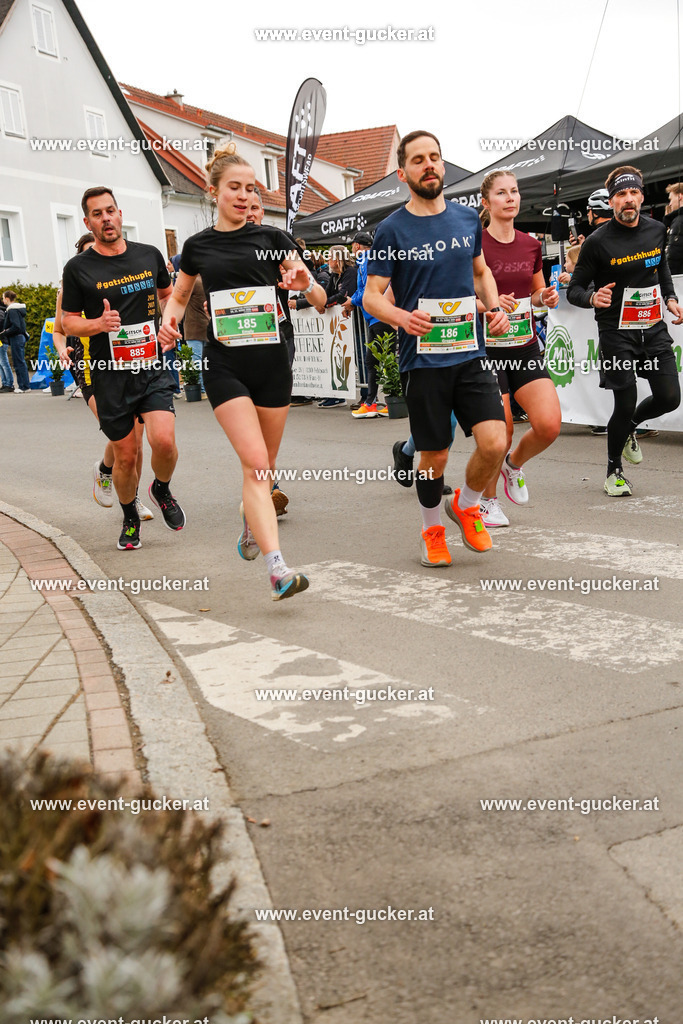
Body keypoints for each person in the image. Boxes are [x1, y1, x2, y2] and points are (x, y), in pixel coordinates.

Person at [159, 143, 326, 601]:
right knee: (256, 465)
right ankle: (278, 570)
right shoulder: (197, 247)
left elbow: (318, 298)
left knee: (264, 469)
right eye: (234, 187)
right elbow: (179, 297)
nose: (243, 195)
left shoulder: (273, 240)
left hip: (272, 366)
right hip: (225, 364)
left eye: (250, 188)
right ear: (213, 191)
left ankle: (253, 523)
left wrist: (304, 283)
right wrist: (169, 322)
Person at [364, 130, 510, 567]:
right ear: (402, 173)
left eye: (434, 157)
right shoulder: (391, 230)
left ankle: (466, 506)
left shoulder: (467, 220)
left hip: (470, 352)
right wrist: (401, 317)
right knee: (435, 454)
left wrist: (493, 306)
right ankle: (431, 530)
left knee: (495, 441)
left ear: (443, 165)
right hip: (423, 360)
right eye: (418, 159)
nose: (428, 165)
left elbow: (481, 272)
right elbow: (371, 297)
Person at [61, 186, 184, 549]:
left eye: (110, 210)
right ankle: (130, 517)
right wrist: (98, 324)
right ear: (88, 222)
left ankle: (161, 488)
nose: (106, 218)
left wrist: (169, 324)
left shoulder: (148, 255)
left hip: (151, 365)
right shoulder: (78, 268)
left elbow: (167, 295)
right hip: (109, 373)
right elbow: (67, 322)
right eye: (97, 214)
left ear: (120, 214)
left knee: (164, 441)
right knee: (126, 456)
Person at [567, 165, 683, 496]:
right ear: (612, 201)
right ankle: (613, 471)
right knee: (625, 399)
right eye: (621, 194)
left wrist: (670, 297)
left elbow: (661, 265)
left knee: (669, 397)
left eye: (633, 192)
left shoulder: (657, 230)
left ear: (642, 196)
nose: (628, 199)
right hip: (616, 332)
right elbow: (575, 289)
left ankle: (630, 428)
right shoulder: (597, 242)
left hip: (652, 327)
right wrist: (592, 297)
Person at [477, 170, 562, 527]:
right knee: (502, 430)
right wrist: (491, 304)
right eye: (501, 193)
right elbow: (460, 300)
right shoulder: (475, 245)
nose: (510, 197)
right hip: (486, 350)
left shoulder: (530, 244)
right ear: (486, 202)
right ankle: (486, 501)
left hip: (524, 347)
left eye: (514, 191)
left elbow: (536, 292)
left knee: (549, 425)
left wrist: (546, 297)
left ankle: (513, 465)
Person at [53, 232, 154, 519]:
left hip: (126, 363)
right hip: (90, 366)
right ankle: (109, 475)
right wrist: (61, 350)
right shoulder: (70, 289)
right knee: (123, 434)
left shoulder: (121, 282)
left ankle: (126, 489)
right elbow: (59, 330)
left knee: (136, 439)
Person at [342, 231, 392, 418]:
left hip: (380, 315)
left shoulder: (366, 260)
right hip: (378, 315)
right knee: (377, 360)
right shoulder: (371, 259)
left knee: (377, 360)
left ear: (356, 245)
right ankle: (378, 401)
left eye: (352, 245)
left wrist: (352, 301)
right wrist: (353, 301)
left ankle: (375, 402)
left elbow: (368, 289)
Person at [1, 290, 31, 392]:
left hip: (16, 338)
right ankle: (24, 385)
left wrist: (5, 332)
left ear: (7, 299)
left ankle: (24, 387)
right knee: (20, 362)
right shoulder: (16, 309)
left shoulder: (12, 310)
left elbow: (16, 326)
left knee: (19, 363)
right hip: (19, 338)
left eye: (3, 298)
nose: (3, 300)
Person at [664, 182, 683, 274]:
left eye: (671, 199)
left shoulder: (679, 221)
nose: (670, 204)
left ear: (680, 197)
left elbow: (674, 255)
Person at [0, 300, 14, 392]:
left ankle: (9, 384)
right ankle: (5, 383)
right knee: (1, 364)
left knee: (4, 363)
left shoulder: (0, 312)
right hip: (1, 340)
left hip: (1, 340)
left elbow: (2, 324)